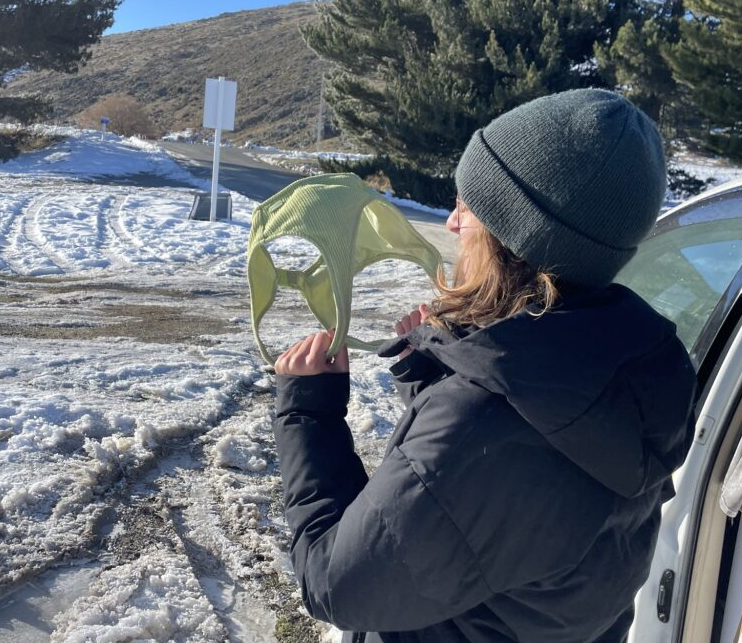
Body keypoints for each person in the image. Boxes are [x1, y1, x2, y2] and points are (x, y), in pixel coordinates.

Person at [272, 89, 698, 643]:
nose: (451, 223)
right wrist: (442, 377)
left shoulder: (483, 423)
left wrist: (308, 416)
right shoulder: (631, 372)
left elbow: (336, 585)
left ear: (514, 236)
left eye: (466, 206)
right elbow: (506, 506)